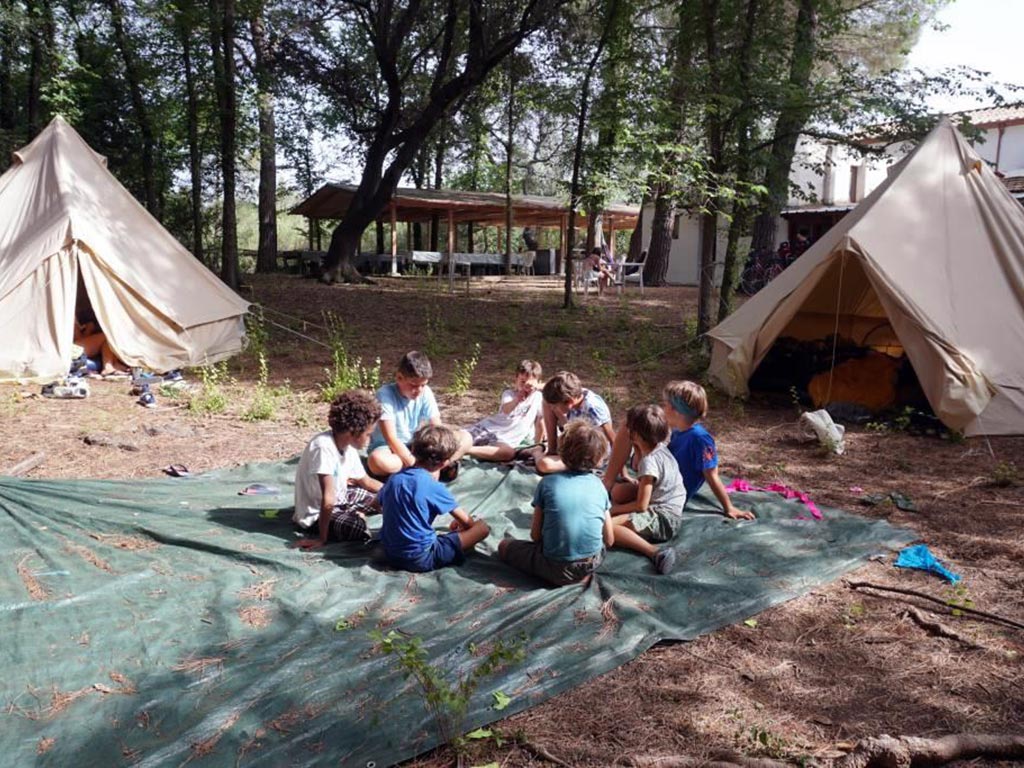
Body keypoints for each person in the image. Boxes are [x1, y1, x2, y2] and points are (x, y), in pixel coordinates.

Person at [604, 380, 754, 521]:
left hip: (670, 493)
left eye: (665, 405)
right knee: (632, 426)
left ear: (676, 411)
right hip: (661, 481)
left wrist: (729, 507)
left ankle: (610, 486)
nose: (663, 409)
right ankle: (609, 482)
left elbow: (712, 475)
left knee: (630, 428)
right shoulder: (678, 431)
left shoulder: (700, 439)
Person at [498, 420, 614, 586]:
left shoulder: (548, 483)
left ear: (561, 454)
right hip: (591, 563)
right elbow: (609, 540)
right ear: (598, 459)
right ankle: (580, 576)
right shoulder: (599, 485)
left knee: (504, 546)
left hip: (554, 565)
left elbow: (535, 535)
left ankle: (555, 574)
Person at [378, 424, 490, 572]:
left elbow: (376, 504)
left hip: (390, 553)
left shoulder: (394, 478)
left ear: (412, 450)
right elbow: (467, 523)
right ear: (445, 462)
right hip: (421, 558)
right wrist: (463, 525)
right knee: (482, 528)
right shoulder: (434, 487)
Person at [294, 390, 384, 548]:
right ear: (353, 432)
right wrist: (322, 539)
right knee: (357, 528)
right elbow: (328, 500)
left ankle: (355, 513)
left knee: (381, 500)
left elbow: (366, 481)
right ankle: (355, 518)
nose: (370, 439)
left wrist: (396, 490)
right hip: (318, 513)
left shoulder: (349, 447)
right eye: (368, 434)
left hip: (342, 498)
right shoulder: (323, 447)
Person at [608, 404, 685, 574]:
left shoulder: (649, 462)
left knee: (607, 527)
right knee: (618, 492)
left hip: (664, 517)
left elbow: (641, 506)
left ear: (635, 435)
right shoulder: (658, 448)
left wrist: (613, 510)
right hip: (665, 501)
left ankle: (656, 552)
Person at [367, 351, 442, 477]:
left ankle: (426, 466)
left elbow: (437, 426)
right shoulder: (385, 394)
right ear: (399, 378)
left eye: (423, 385)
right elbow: (391, 438)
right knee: (377, 461)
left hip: (414, 446)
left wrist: (440, 450)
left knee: (464, 437)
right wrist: (417, 466)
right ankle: (427, 467)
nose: (418, 390)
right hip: (388, 449)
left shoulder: (425, 392)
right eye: (413, 385)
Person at [455, 360, 545, 463]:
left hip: (505, 439)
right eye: (522, 382)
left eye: (529, 383)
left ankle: (467, 450)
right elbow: (506, 410)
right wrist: (517, 399)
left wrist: (537, 445)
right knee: (460, 437)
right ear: (516, 379)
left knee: (508, 453)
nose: (526, 387)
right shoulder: (509, 394)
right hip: (490, 428)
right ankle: (455, 446)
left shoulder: (538, 397)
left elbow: (540, 423)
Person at [527, 371, 615, 475]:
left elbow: (614, 440)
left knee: (544, 464)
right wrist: (536, 385)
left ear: (569, 401)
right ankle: (552, 450)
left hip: (588, 456)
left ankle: (536, 452)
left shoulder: (593, 408)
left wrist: (621, 473)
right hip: (574, 441)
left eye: (555, 406)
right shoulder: (575, 393)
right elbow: (554, 387)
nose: (553, 409)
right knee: (546, 401)